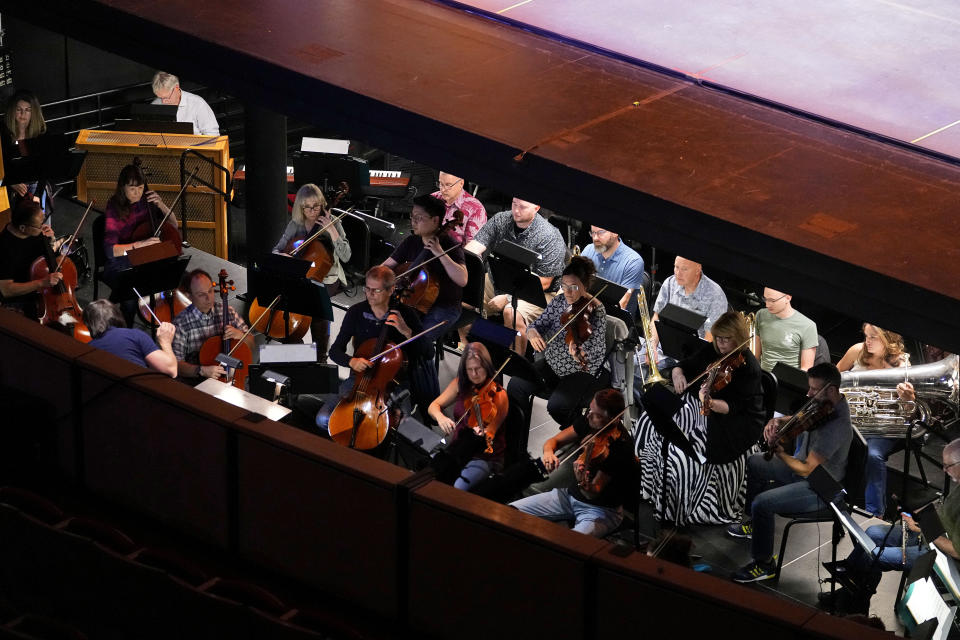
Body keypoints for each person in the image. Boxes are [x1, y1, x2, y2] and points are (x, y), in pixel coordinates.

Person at [635, 312, 766, 524]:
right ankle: (647, 489)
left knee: (679, 455)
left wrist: (710, 402)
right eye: (718, 338)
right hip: (702, 407)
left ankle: (673, 510)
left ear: (739, 338)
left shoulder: (749, 368)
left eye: (726, 339)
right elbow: (684, 365)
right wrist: (678, 375)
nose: (721, 344)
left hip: (733, 422)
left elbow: (734, 407)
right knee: (648, 424)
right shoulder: (713, 349)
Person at [727, 363, 852, 583]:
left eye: (814, 389)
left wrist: (780, 453)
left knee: (762, 503)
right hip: (799, 467)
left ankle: (764, 564)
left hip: (819, 487)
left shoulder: (837, 426)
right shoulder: (823, 404)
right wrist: (777, 420)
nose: (809, 393)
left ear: (831, 390)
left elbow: (807, 469)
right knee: (755, 463)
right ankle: (755, 524)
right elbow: (799, 417)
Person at [821, 439, 960, 613]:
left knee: (871, 556)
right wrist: (920, 515)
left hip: (943, 557)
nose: (944, 470)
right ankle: (850, 593)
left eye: (948, 466)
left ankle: (852, 603)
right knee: (872, 533)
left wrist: (924, 528)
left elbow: (956, 551)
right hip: (933, 536)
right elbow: (948, 513)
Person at [316, 266, 433, 433]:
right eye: (367, 288)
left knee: (395, 430)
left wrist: (406, 331)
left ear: (391, 290)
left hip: (395, 385)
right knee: (323, 419)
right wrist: (351, 361)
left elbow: (429, 353)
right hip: (359, 380)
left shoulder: (406, 315)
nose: (369, 294)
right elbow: (335, 351)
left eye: (376, 290)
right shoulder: (356, 312)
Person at [510, 388, 637, 538]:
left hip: (600, 510)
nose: (589, 415)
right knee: (511, 511)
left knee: (570, 545)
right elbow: (554, 441)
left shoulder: (621, 446)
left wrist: (581, 481)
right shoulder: (588, 421)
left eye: (596, 415)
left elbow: (592, 492)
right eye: (590, 409)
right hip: (569, 496)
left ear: (613, 419)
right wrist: (549, 453)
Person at [507, 256, 607, 428]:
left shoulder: (596, 310)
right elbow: (537, 325)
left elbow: (595, 351)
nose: (567, 292)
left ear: (586, 286)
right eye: (564, 286)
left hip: (579, 372)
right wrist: (532, 333)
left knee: (557, 407)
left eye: (574, 287)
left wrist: (579, 354)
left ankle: (579, 433)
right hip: (552, 365)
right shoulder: (559, 301)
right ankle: (517, 432)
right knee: (516, 385)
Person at [465, 197, 565, 353]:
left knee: (511, 313)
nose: (516, 211)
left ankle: (513, 366)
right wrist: (460, 264)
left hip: (537, 291)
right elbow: (474, 248)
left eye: (523, 207)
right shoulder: (501, 219)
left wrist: (508, 297)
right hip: (499, 278)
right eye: (514, 204)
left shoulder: (550, 236)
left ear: (536, 208)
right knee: (464, 295)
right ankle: (469, 352)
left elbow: (544, 282)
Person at [837, 323, 916, 518]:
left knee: (873, 455)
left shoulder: (902, 366)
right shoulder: (857, 350)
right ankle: (827, 493)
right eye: (866, 336)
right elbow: (833, 377)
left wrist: (908, 399)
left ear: (888, 339)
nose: (867, 341)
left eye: (873, 337)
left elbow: (908, 412)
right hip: (853, 420)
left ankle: (875, 513)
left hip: (882, 425)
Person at [272, 183, 351, 361]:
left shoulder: (335, 222)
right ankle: (297, 353)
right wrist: (284, 257)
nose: (313, 211)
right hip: (300, 276)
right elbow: (276, 250)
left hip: (328, 277)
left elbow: (346, 256)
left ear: (323, 204)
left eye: (316, 206)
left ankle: (320, 355)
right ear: (301, 207)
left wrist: (331, 229)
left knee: (317, 305)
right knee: (286, 309)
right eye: (307, 207)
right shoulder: (295, 225)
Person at [382, 194, 467, 346]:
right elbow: (386, 267)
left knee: (417, 343)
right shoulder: (412, 241)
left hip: (444, 306)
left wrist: (440, 253)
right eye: (412, 216)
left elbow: (462, 279)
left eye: (419, 218)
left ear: (435, 220)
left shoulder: (451, 245)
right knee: (377, 324)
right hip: (409, 301)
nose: (413, 221)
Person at [427, 342, 509, 491]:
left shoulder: (499, 394)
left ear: (487, 367)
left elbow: (490, 432)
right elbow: (433, 406)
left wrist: (481, 433)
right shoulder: (460, 384)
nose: (474, 374)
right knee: (428, 475)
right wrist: (441, 417)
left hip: (484, 457)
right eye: (469, 369)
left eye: (478, 369)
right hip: (458, 450)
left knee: (456, 488)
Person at [171, 269, 255, 382]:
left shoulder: (228, 311)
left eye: (210, 291)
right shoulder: (180, 323)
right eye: (201, 295)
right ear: (189, 297)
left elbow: (251, 343)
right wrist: (201, 370)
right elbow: (175, 364)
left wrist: (241, 336)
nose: (209, 298)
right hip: (197, 383)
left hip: (234, 378)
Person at [102, 163, 177, 286]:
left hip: (147, 256)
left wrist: (161, 205)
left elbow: (173, 225)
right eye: (132, 189)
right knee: (132, 291)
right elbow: (110, 251)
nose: (137, 193)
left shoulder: (147, 200)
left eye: (141, 188)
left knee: (177, 276)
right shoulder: (114, 207)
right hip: (124, 259)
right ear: (123, 187)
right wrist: (139, 245)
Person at [648, 256, 728, 357]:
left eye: (684, 269)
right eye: (676, 267)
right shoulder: (670, 283)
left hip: (695, 356)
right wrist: (652, 344)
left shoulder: (715, 295)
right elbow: (657, 317)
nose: (678, 273)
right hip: (664, 349)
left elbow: (709, 339)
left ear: (698, 269)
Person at [0, 199, 62, 320]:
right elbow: (6, 290)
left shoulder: (34, 233)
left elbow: (48, 256)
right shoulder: (4, 248)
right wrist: (42, 283)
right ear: (23, 227)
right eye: (39, 225)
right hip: (19, 299)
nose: (43, 226)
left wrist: (52, 239)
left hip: (39, 288)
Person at [83, 299, 177, 377]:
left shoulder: (87, 350)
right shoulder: (135, 335)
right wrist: (165, 342)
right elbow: (171, 370)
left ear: (90, 326)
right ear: (117, 315)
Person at [1, 90, 54, 216]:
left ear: (34, 112)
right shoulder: (3, 132)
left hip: (35, 184)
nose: (23, 114)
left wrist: (37, 195)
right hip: (10, 184)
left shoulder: (42, 134)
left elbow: (44, 168)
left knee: (37, 217)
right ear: (12, 111)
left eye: (28, 110)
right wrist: (11, 182)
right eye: (18, 109)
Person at [579, 226, 645, 316]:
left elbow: (622, 305)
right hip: (586, 312)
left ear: (615, 233)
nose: (595, 238)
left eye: (600, 232)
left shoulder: (633, 261)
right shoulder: (589, 250)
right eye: (593, 233)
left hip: (615, 322)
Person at [755, 286, 818, 372]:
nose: (767, 304)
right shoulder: (761, 315)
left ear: (788, 297)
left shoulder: (808, 326)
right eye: (765, 299)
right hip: (763, 377)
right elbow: (755, 356)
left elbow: (806, 369)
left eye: (772, 300)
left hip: (788, 381)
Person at [151, 71, 220, 136]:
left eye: (166, 97)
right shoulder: (155, 105)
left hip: (194, 147)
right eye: (160, 97)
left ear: (176, 88)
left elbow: (212, 135)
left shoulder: (197, 103)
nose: (163, 102)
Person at [430, 171, 487, 244]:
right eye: (441, 184)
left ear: (461, 183)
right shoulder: (434, 198)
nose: (443, 190)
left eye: (448, 185)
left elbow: (471, 250)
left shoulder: (476, 210)